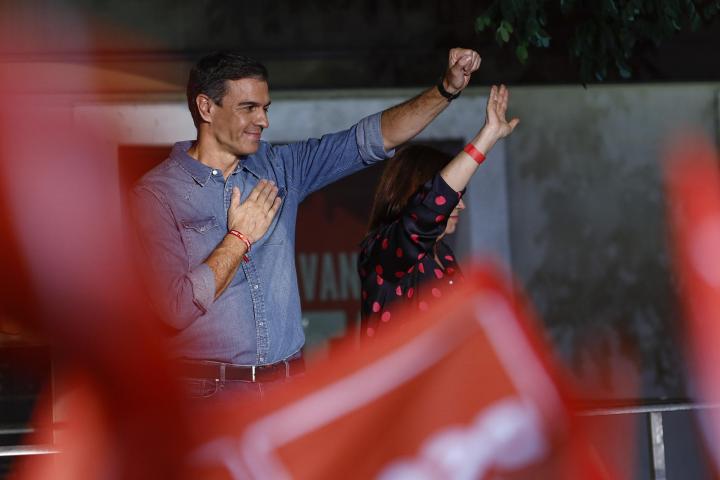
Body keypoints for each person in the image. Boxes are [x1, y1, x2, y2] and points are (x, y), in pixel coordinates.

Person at [130, 48, 482, 398]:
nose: (263, 121)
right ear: (206, 107)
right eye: (248, 108)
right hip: (210, 396)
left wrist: (445, 90)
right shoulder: (157, 195)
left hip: (287, 386)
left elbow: (373, 138)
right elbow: (175, 308)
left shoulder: (281, 167)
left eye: (265, 108)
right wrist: (239, 238)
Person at [358, 85, 519, 338]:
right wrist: (487, 138)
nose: (461, 205)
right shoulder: (383, 250)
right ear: (415, 193)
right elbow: (427, 213)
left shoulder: (443, 254)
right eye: (454, 197)